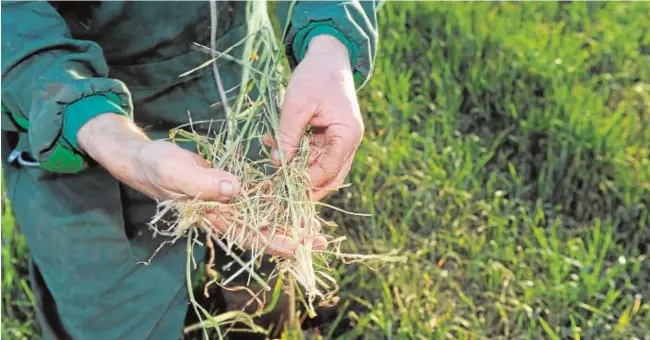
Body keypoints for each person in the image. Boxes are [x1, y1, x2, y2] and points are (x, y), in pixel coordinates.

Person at [1, 1, 378, 339]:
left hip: (242, 82)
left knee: (263, 256)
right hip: (86, 128)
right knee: (115, 311)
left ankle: (263, 327)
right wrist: (101, 131)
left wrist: (331, 40)